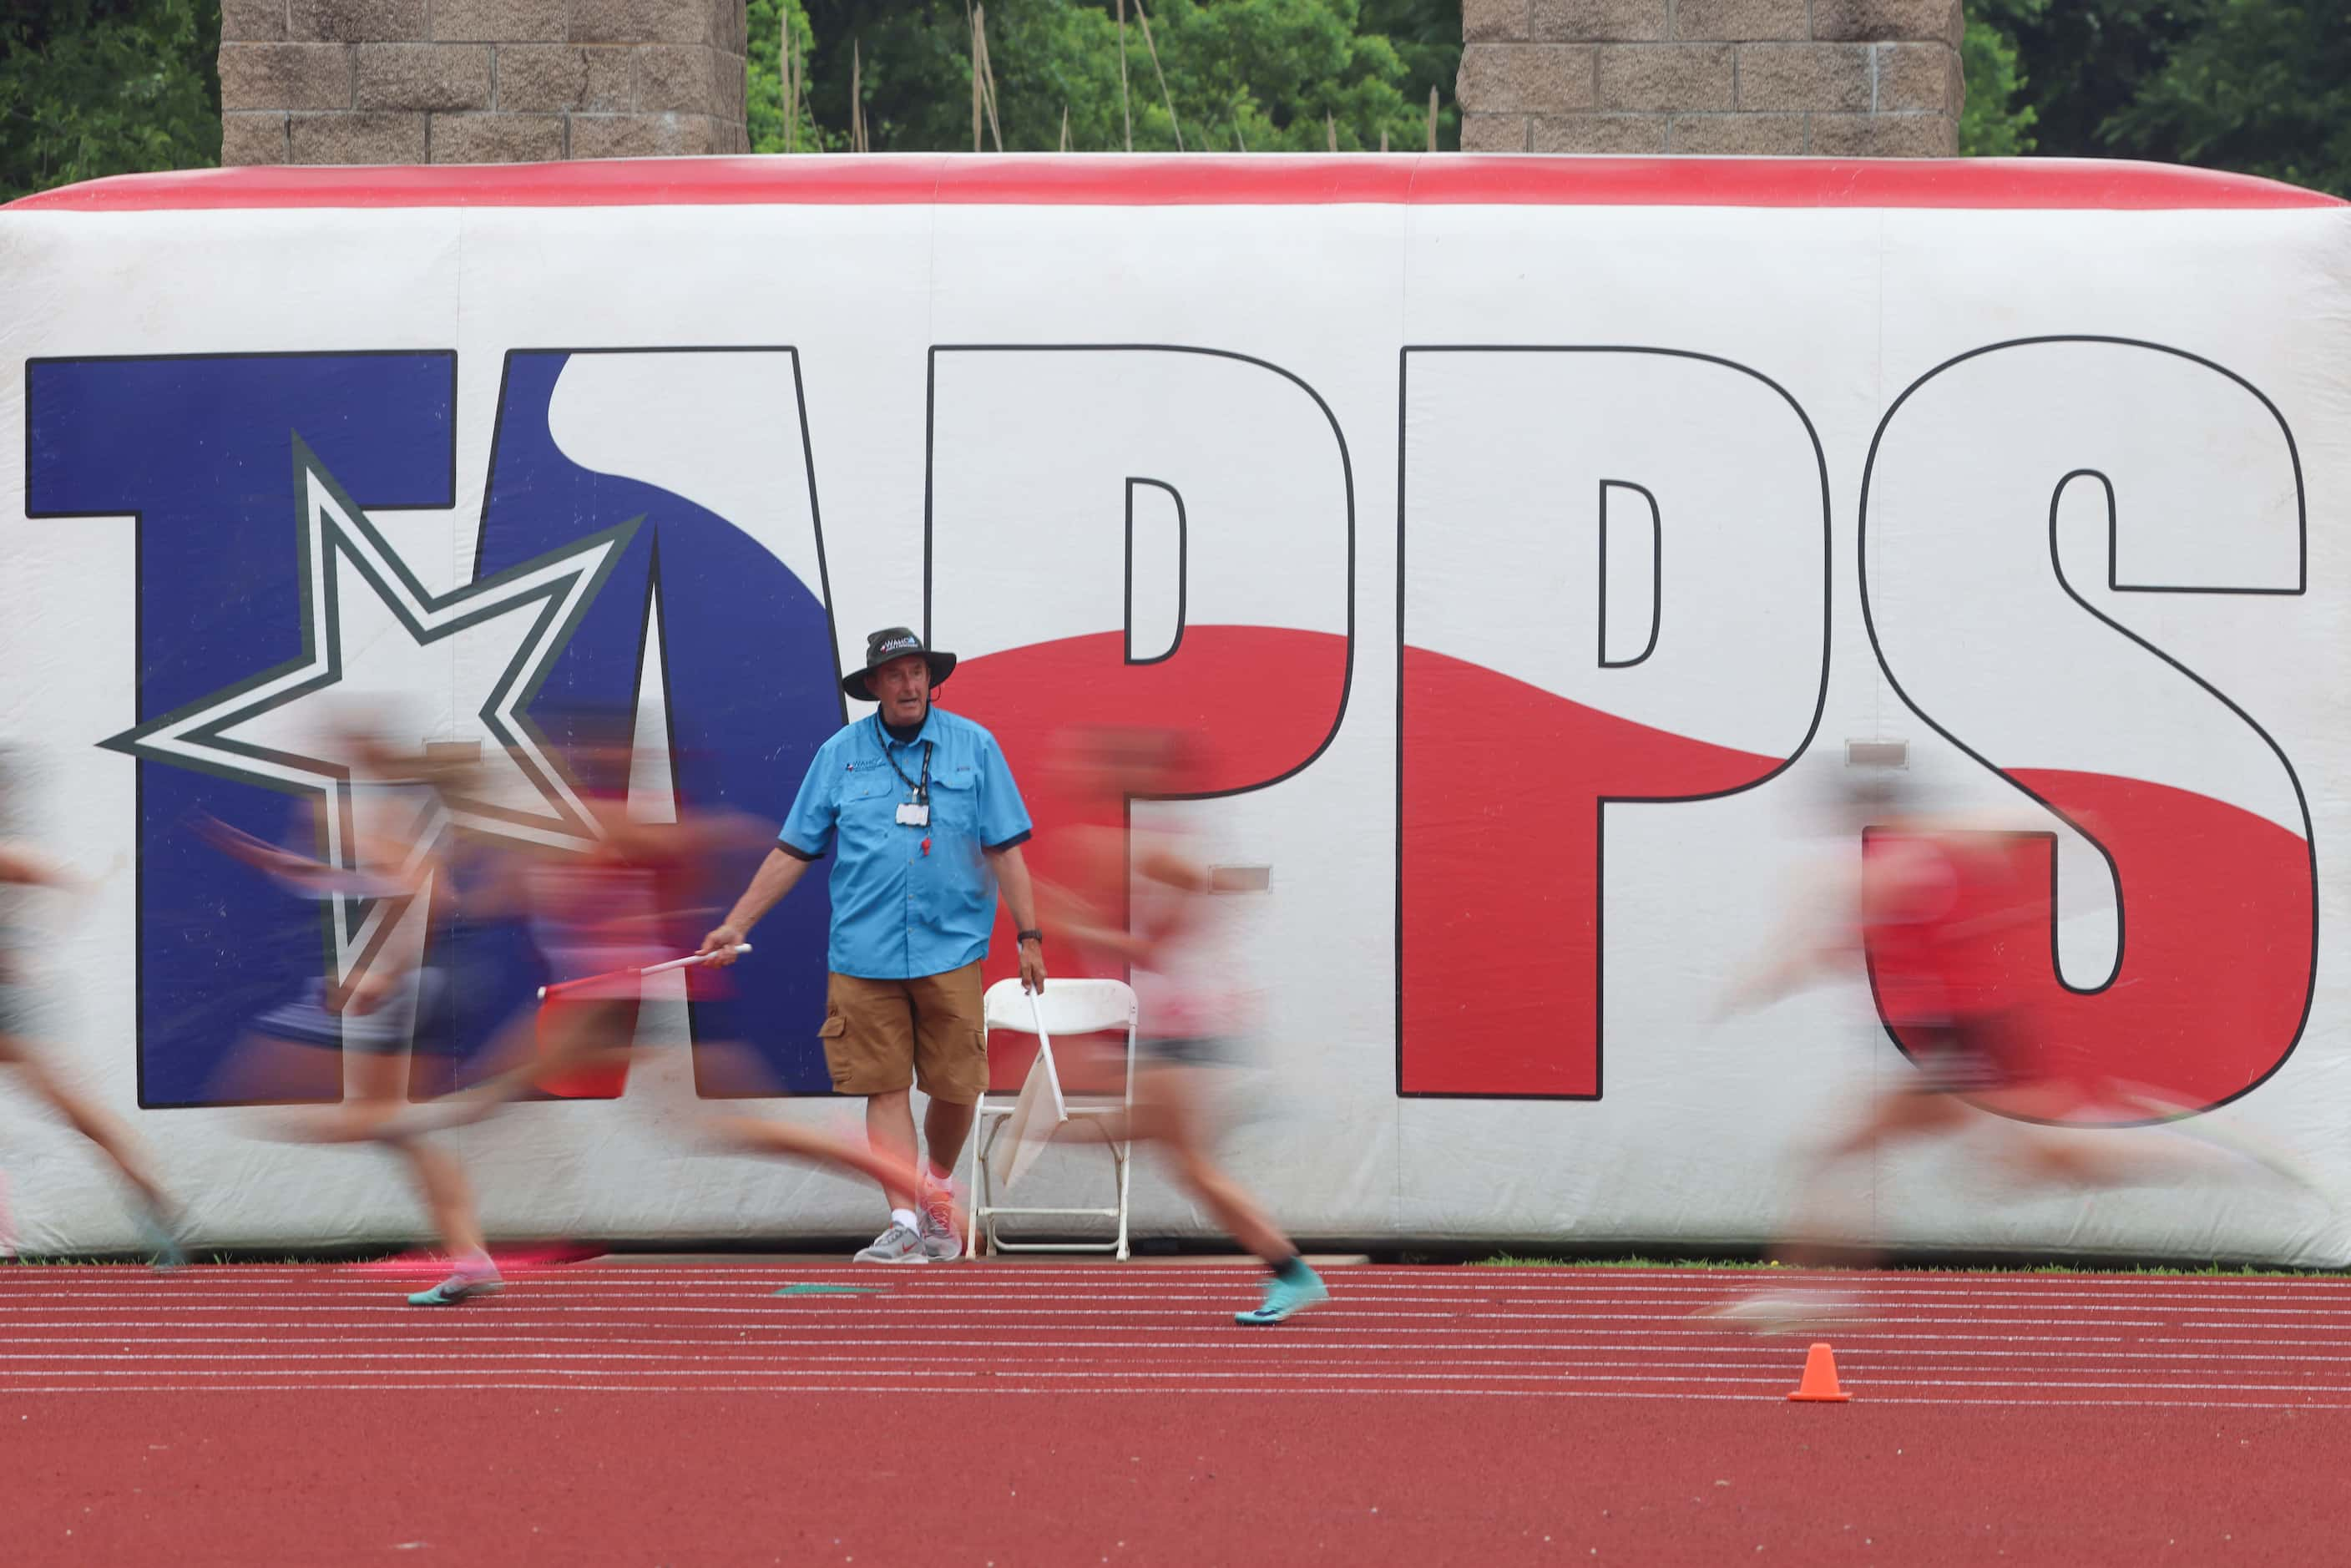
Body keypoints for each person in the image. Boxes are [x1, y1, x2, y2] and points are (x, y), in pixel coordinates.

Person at [699, 628, 1047, 1264]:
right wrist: (737, 923)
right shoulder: (840, 754)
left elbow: (1004, 846)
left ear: (929, 681)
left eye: (917, 673)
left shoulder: (975, 746)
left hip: (952, 947)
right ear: (875, 687)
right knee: (883, 1086)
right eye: (895, 676)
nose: (909, 685)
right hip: (864, 952)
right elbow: (793, 850)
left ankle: (936, 1190)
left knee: (956, 1084)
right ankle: (905, 1220)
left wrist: (1029, 935)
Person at [1041, 726, 1328, 1325]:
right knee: (1126, 1137)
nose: (1074, 775)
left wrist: (1075, 922)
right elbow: (1231, 884)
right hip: (1171, 1030)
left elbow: (1221, 896)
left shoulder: (1146, 847)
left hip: (1180, 1032)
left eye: (1090, 764)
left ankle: (1292, 1271)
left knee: (1185, 1162)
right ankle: (1285, 1254)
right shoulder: (1132, 842)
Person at [200, 721, 493, 1305]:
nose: (308, 817)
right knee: (396, 1128)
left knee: (264, 1094)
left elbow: (428, 892)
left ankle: (476, 1110)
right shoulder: (389, 823)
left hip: (401, 989)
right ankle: (472, 1257)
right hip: (417, 984)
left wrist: (379, 973)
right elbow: (385, 883)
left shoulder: (378, 818)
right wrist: (280, 865)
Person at [0, 822, 184, 1267]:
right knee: (76, 1111)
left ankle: (151, 1195)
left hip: (12, 1005)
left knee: (75, 1111)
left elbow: (70, 882)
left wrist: (32, 950)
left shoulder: (8, 855)